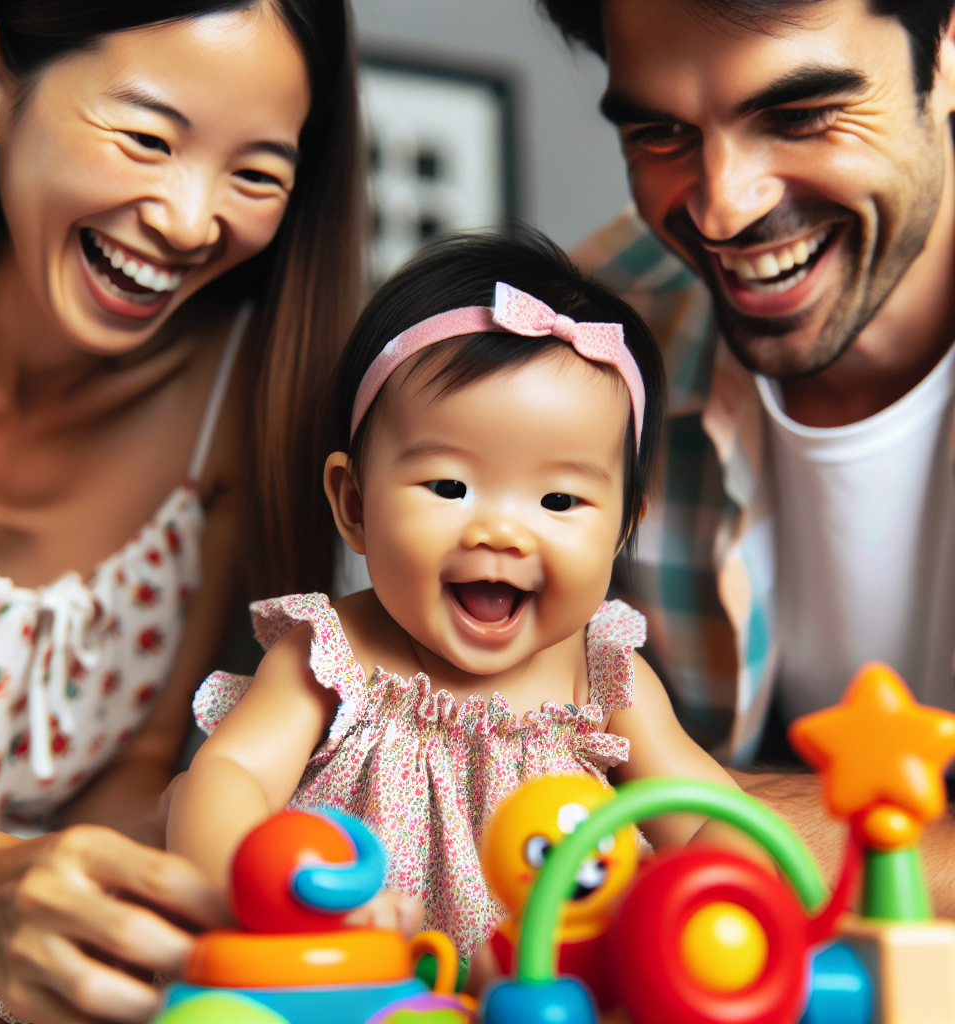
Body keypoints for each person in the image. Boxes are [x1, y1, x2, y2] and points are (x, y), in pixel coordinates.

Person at [166, 229, 766, 967]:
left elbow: (709, 817)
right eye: (450, 486)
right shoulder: (330, 659)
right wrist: (274, 892)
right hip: (365, 986)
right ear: (354, 503)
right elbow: (229, 777)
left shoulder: (605, 680)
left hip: (552, 991)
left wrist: (733, 867)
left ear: (619, 532)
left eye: (559, 499)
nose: (504, 532)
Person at [0, 1, 362, 1021]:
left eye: (255, 173)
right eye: (146, 138)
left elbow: (130, 773)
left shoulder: (237, 406)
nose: (186, 217)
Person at [538, 0, 955, 911]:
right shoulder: (589, 350)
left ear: (948, 46)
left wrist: (751, 819)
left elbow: (621, 816)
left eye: (801, 115)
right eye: (660, 133)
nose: (724, 206)